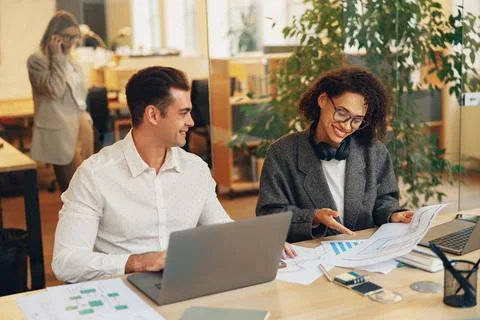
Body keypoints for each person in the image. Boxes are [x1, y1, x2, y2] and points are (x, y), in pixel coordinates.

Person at [52, 66, 295, 283]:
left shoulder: (195, 169)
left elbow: (222, 231)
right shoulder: (94, 174)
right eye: (183, 113)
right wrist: (139, 262)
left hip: (182, 287)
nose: (191, 121)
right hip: (122, 291)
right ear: (153, 115)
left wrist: (259, 243)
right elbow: (66, 262)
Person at [256, 66, 414, 243]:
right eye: (341, 113)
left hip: (364, 254)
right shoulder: (282, 152)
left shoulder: (375, 151)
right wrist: (313, 217)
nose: (346, 126)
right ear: (323, 100)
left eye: (356, 120)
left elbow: (385, 199)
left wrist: (392, 214)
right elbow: (268, 216)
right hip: (310, 258)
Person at [27, 10, 94, 192]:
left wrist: (85, 118)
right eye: (66, 37)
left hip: (81, 124)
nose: (71, 42)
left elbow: (80, 95)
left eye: (74, 37)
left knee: (89, 183)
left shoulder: (72, 61)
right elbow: (54, 90)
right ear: (53, 36)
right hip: (61, 128)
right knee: (74, 190)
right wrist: (57, 57)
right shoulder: (37, 60)